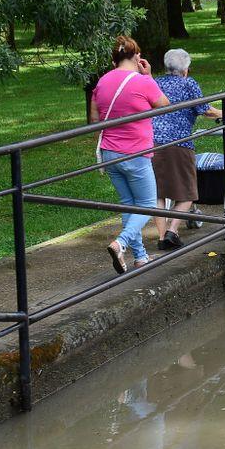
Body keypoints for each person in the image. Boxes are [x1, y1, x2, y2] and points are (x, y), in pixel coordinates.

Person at [91, 35, 170, 274]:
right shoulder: (142, 81)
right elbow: (165, 105)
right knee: (147, 205)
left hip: (109, 154)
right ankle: (120, 243)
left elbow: (95, 119)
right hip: (135, 152)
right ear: (137, 56)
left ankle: (141, 257)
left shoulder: (102, 82)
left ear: (114, 58)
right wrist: (148, 76)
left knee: (128, 204)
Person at [151, 48, 221, 250]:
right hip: (179, 143)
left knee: (158, 192)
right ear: (186, 70)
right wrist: (223, 112)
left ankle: (162, 236)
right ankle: (172, 232)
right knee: (189, 191)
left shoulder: (155, 83)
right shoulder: (188, 83)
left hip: (152, 143)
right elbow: (205, 110)